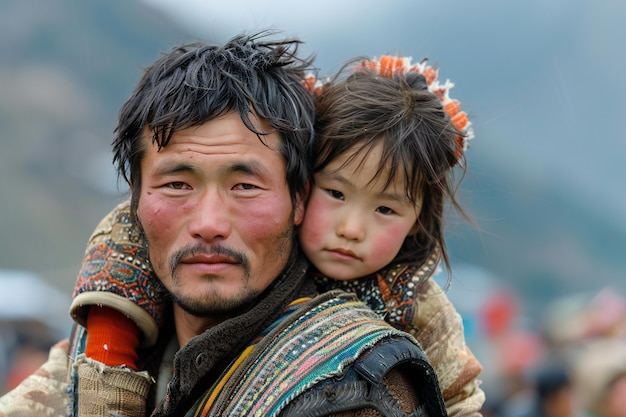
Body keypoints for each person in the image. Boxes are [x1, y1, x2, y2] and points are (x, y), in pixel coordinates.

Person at [0, 32, 449, 417]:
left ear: (300, 198)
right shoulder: (106, 340)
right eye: (177, 184)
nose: (209, 224)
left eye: (245, 186)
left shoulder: (353, 389)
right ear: (135, 202)